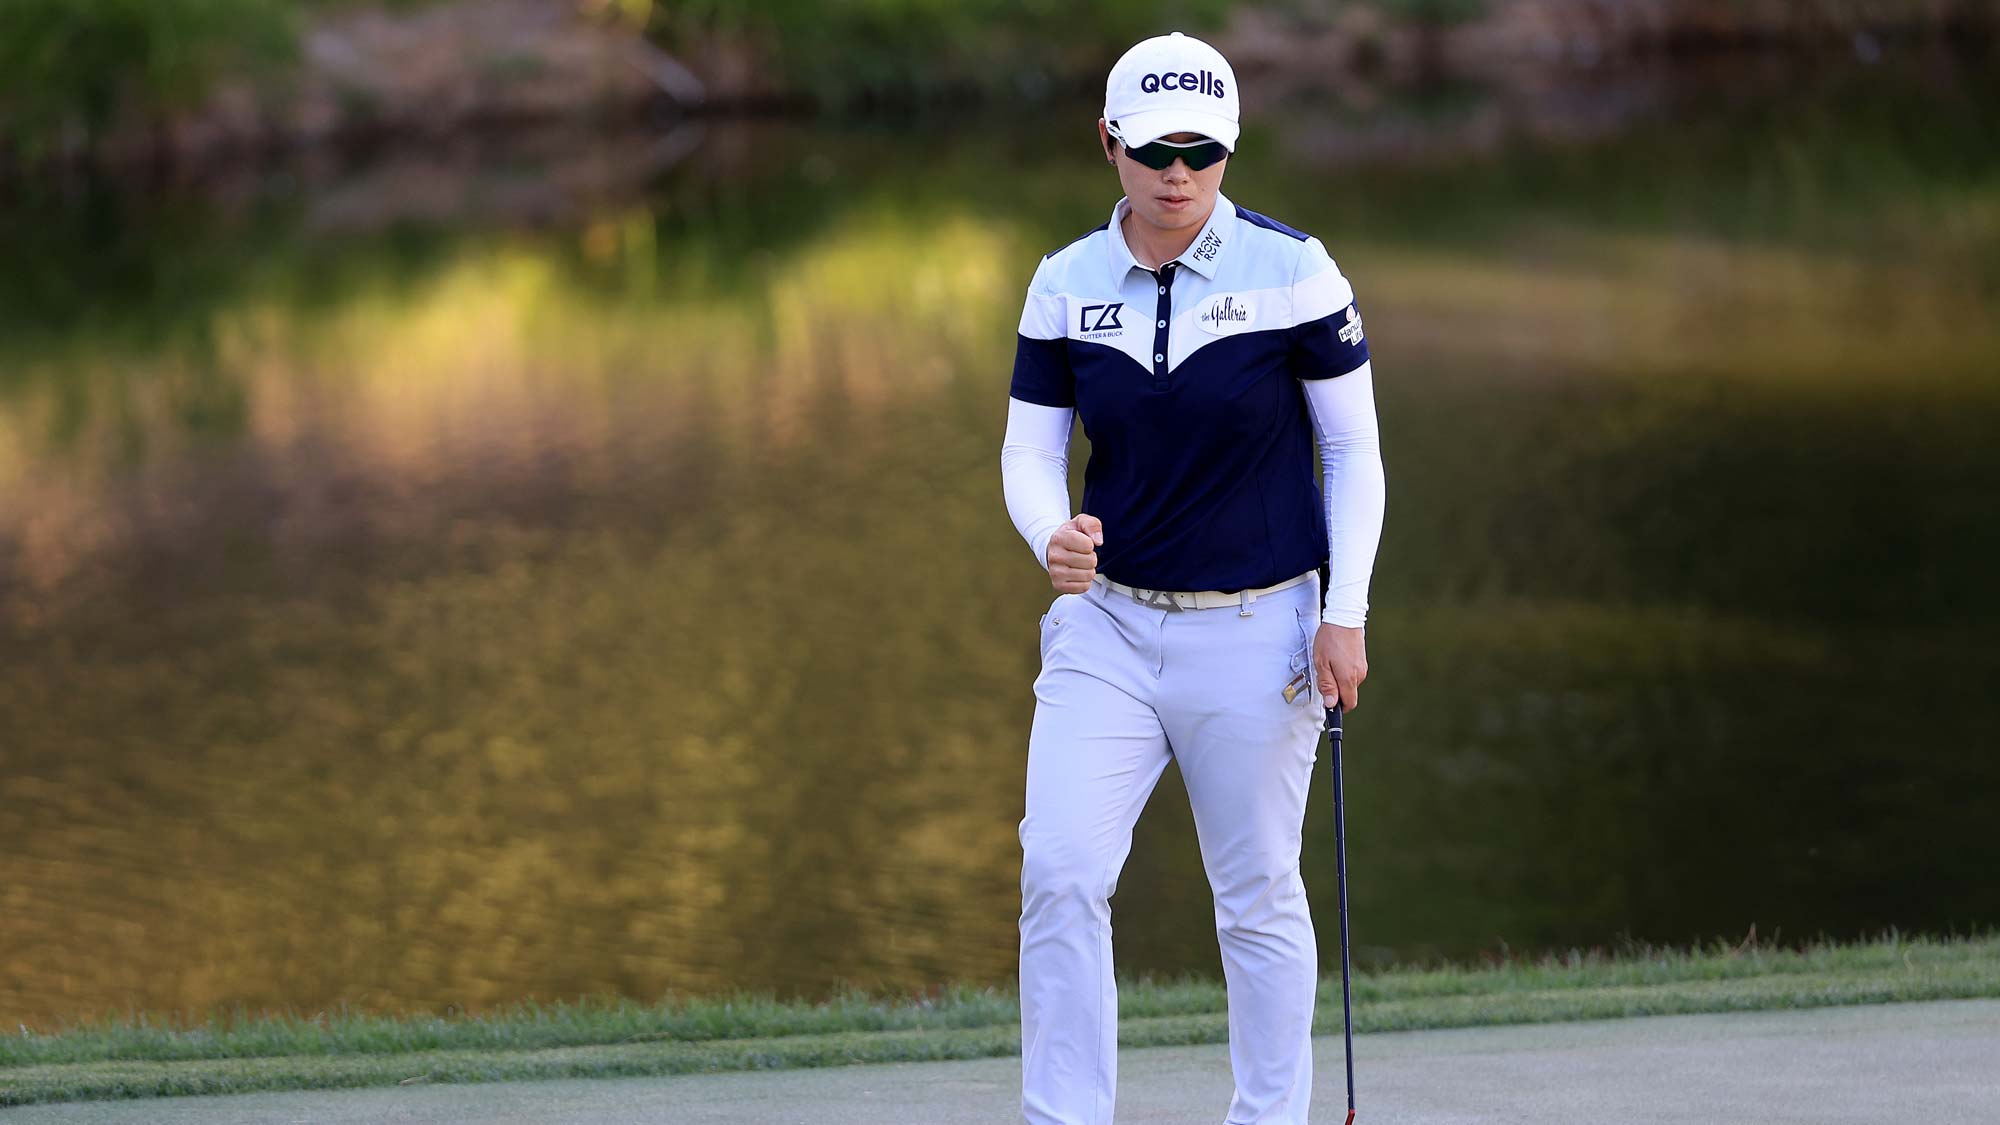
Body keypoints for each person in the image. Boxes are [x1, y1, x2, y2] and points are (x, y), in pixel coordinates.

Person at [999, 30, 1386, 1125]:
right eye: (1157, 151)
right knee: (1060, 873)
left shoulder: (1293, 270)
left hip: (1262, 629)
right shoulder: (1065, 283)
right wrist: (1046, 534)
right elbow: (1029, 453)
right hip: (1107, 628)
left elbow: (1352, 454)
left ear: (1228, 147)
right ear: (1109, 143)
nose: (1180, 175)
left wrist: (1343, 614)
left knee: (1255, 894)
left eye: (1203, 153)